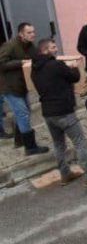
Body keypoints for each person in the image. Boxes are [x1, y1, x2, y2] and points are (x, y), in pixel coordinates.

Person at [30, 39, 87, 184]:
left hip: (48, 113)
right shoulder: (57, 65)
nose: (56, 49)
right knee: (80, 142)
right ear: (45, 50)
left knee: (58, 144)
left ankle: (65, 174)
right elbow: (75, 78)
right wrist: (75, 67)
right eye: (53, 47)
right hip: (64, 111)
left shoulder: (34, 70)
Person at [0, 23, 49, 155]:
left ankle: (19, 140)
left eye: (33, 32)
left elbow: (36, 59)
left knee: (23, 111)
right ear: (21, 34)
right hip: (9, 86)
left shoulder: (30, 46)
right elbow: (2, 63)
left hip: (21, 85)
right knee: (23, 114)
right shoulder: (10, 45)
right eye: (29, 32)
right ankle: (30, 147)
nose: (33, 34)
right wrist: (21, 62)